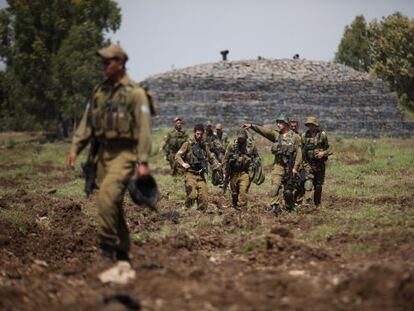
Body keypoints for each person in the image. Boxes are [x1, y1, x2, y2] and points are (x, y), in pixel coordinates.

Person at [66, 44, 152, 263]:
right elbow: (87, 122)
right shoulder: (100, 91)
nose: (103, 65)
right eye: (102, 62)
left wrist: (143, 162)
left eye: (108, 62)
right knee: (114, 202)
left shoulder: (136, 93)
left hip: (124, 155)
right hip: (102, 155)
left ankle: (106, 250)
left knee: (106, 197)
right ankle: (123, 251)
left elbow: (144, 129)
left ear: (120, 63)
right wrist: (76, 147)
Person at [242, 114, 302, 216]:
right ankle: (274, 207)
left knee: (288, 192)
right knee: (275, 187)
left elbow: (299, 153)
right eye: (277, 123)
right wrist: (252, 126)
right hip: (278, 165)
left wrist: (296, 168)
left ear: (286, 124)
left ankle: (290, 206)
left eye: (280, 123)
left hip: (290, 167)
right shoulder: (276, 135)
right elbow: (265, 131)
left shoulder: (295, 137)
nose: (278, 125)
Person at [175, 124, 221, 211]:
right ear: (194, 133)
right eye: (197, 134)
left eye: (201, 134)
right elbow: (177, 156)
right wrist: (183, 163)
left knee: (204, 199)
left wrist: (217, 164)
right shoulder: (187, 144)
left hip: (201, 175)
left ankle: (200, 216)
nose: (199, 136)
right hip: (190, 174)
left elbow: (211, 157)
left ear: (203, 134)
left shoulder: (204, 145)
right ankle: (186, 208)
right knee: (192, 196)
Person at [222, 129, 259, 209]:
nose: (240, 139)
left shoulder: (251, 145)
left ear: (246, 137)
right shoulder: (231, 145)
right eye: (239, 138)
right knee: (234, 192)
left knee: (243, 190)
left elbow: (257, 157)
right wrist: (225, 172)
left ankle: (242, 207)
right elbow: (225, 159)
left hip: (245, 172)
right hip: (233, 172)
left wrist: (253, 164)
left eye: (242, 138)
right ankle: (235, 204)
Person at [301, 116, 332, 207]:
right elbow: (301, 151)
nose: (310, 127)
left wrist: (323, 153)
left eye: (312, 125)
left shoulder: (322, 135)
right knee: (308, 183)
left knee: (318, 186)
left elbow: (330, 148)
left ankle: (317, 204)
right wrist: (303, 164)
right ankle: (307, 202)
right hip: (308, 165)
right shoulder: (304, 136)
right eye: (309, 125)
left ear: (315, 125)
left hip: (320, 165)